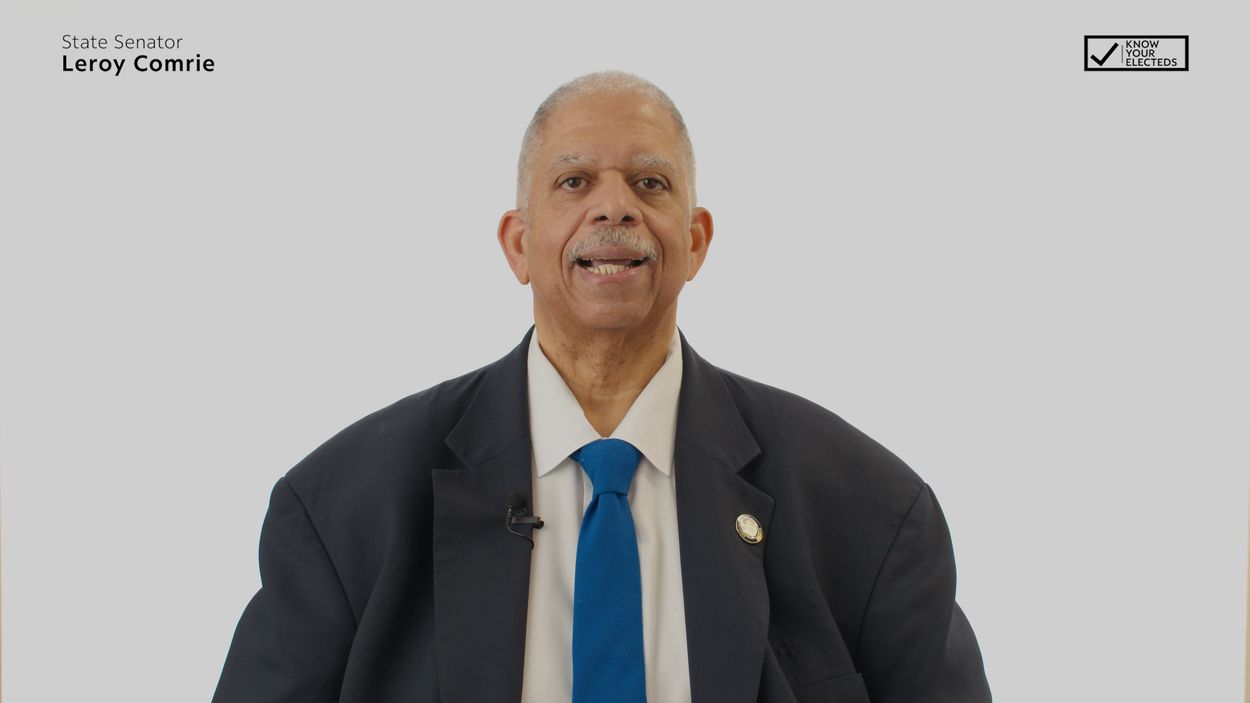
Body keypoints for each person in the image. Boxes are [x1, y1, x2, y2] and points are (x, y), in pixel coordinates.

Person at [212, 71, 991, 703]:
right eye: (574, 180)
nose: (614, 205)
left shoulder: (873, 514)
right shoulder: (342, 510)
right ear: (518, 244)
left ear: (696, 241)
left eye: (650, 182)